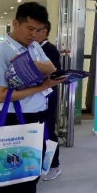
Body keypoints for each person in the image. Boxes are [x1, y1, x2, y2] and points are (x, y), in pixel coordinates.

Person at [0, 2, 64, 193]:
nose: (34, 35)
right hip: (13, 121)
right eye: (30, 29)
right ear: (15, 23)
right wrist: (42, 84)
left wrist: (31, 67)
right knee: (8, 182)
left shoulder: (33, 47)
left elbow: (51, 67)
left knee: (30, 175)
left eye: (38, 30)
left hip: (36, 118)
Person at [36, 21, 63, 181]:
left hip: (48, 94)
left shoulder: (49, 49)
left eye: (37, 30)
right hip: (35, 96)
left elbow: (55, 72)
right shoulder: (33, 48)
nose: (33, 34)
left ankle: (54, 165)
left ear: (45, 32)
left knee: (48, 130)